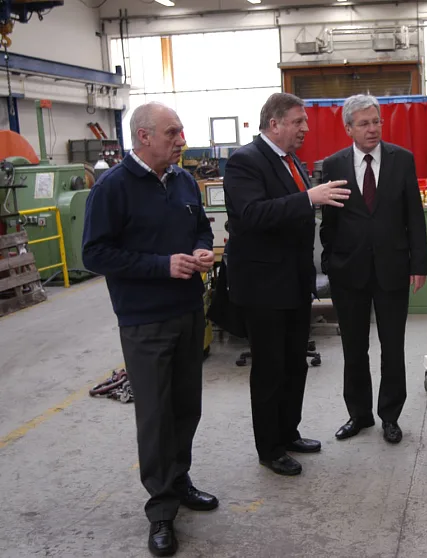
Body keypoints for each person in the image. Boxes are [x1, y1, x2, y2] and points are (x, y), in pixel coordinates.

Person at [82, 102, 218, 557]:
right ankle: (161, 511)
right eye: (172, 132)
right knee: (156, 416)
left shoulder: (182, 181)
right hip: (144, 320)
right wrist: (163, 265)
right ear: (144, 137)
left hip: (187, 311)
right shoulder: (112, 188)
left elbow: (201, 228)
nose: (181, 140)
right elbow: (96, 254)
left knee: (186, 407)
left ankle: (179, 482)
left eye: (180, 131)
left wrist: (200, 251)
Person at [223, 93, 350, 476]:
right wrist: (308, 198)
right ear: (274, 123)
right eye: (298, 122)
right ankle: (270, 447)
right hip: (263, 286)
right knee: (269, 369)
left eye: (304, 122)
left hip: (294, 283)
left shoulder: (289, 160)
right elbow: (249, 215)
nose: (305, 129)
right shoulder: (245, 161)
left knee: (295, 364)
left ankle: (288, 432)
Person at [320, 94, 427, 445]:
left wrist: (419, 264)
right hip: (348, 271)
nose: (373, 129)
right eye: (364, 123)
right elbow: (329, 222)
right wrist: (330, 263)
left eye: (377, 121)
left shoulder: (402, 160)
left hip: (392, 268)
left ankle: (390, 416)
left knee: (392, 347)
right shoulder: (334, 165)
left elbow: (414, 215)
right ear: (348, 128)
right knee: (353, 348)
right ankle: (359, 414)